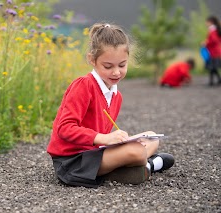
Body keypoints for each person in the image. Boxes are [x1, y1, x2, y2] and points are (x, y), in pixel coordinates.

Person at [46, 23, 174, 188]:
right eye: (108, 66)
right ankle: (147, 164)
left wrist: (116, 140)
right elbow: (64, 128)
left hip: (95, 153)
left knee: (151, 137)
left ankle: (134, 165)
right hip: (72, 160)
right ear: (92, 60)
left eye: (122, 65)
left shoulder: (116, 95)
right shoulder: (83, 86)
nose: (116, 72)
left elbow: (101, 135)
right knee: (135, 151)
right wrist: (105, 138)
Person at [203, 15, 221, 86]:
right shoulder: (216, 30)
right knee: (213, 68)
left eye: (207, 22)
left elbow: (214, 40)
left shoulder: (213, 30)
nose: (206, 24)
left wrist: (206, 43)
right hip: (215, 51)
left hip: (213, 52)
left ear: (211, 22)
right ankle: (217, 80)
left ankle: (211, 82)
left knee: (211, 67)